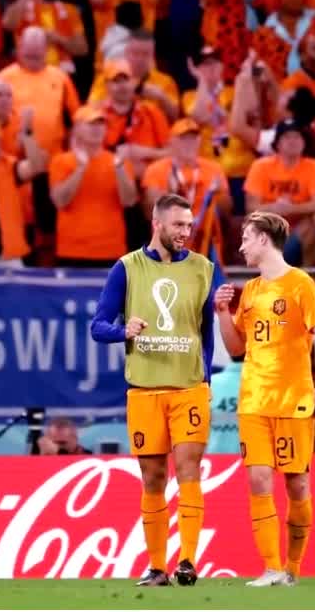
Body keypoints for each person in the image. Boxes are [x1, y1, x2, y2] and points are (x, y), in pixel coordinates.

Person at [90, 194, 220, 587]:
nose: (186, 232)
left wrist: (205, 380)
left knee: (188, 471)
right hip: (144, 390)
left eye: (189, 225)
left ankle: (188, 561)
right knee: (152, 478)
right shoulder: (127, 268)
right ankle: (157, 567)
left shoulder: (205, 268)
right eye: (178, 224)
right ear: (158, 224)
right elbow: (98, 326)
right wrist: (122, 331)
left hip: (188, 390)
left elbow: (208, 329)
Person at [215, 211, 315, 587]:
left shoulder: (300, 284)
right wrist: (222, 313)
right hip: (253, 400)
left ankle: (293, 569)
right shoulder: (250, 291)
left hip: (294, 399)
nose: (242, 246)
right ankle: (270, 568)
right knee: (258, 479)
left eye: (247, 238)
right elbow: (236, 347)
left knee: (297, 484)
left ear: (264, 240)